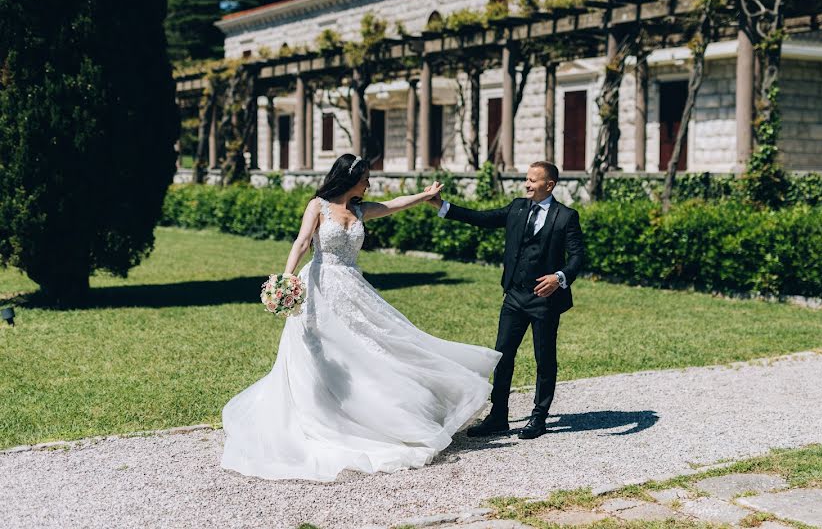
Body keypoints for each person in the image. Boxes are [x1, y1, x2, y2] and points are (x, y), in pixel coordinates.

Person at [221, 153, 501, 481]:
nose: (369, 184)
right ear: (351, 177)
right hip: (320, 286)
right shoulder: (318, 205)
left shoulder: (359, 209)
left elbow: (395, 204)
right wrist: (287, 277)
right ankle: (327, 413)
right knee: (322, 352)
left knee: (375, 344)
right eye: (365, 178)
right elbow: (301, 242)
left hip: (353, 288)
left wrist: (424, 196)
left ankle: (378, 414)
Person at [428, 161, 585, 440]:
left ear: (549, 185)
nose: (527, 184)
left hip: (544, 299)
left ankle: (539, 417)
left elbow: (577, 257)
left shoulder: (565, 216)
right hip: (514, 295)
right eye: (526, 179)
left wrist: (558, 278)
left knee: (544, 358)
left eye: (533, 180)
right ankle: (498, 416)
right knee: (502, 356)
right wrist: (443, 206)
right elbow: (483, 218)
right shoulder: (516, 207)